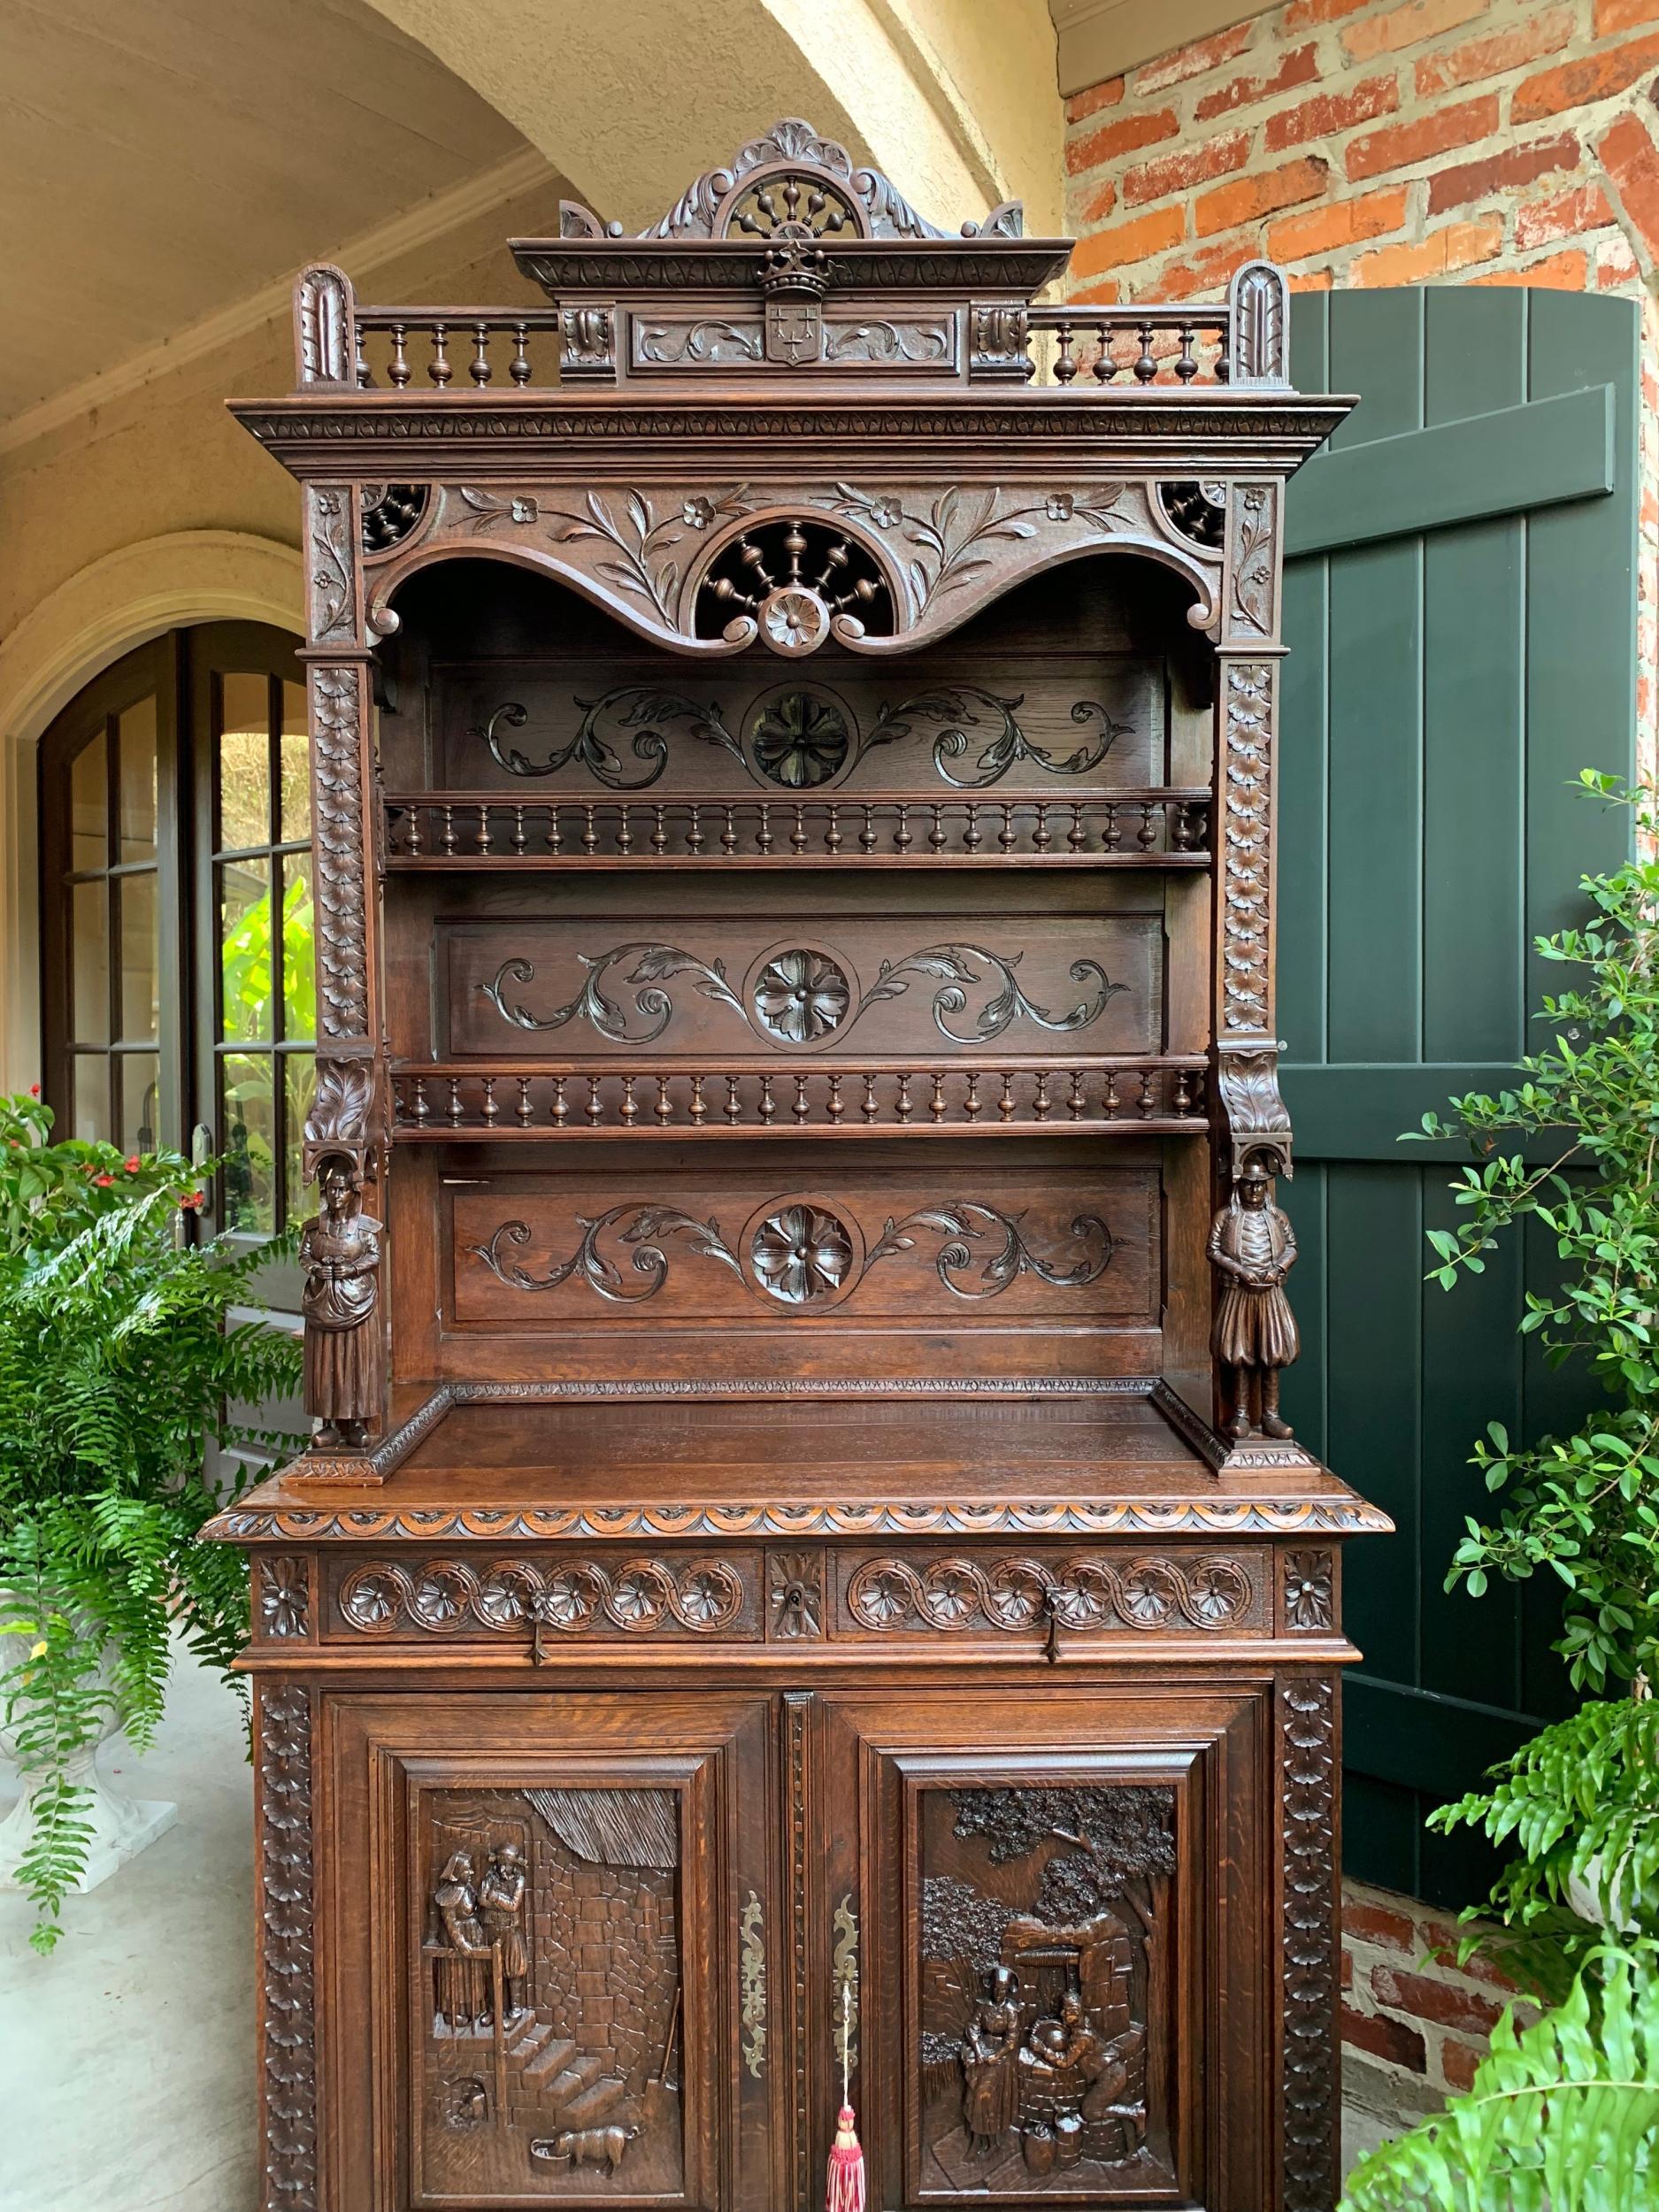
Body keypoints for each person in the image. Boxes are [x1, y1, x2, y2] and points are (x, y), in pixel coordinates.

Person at [1209, 1151, 1299, 1439]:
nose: (1255, 1190)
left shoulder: (1277, 1217)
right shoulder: (1227, 1216)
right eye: (1249, 1184)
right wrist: (1238, 1270)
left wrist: (1278, 1267)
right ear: (1239, 1185)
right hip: (1239, 1293)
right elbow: (1213, 1249)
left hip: (1270, 1292)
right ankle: (1241, 1413)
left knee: (1273, 1352)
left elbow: (1292, 1247)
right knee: (1240, 1353)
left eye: (1260, 1184)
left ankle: (1271, 1415)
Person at [300, 1162, 384, 1448]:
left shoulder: (364, 1228)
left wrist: (353, 1268)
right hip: (322, 1304)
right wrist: (314, 1269)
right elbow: (305, 1256)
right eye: (332, 1189)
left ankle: (356, 1424)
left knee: (354, 1361)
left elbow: (374, 1255)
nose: (336, 1195)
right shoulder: (314, 1228)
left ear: (352, 1193)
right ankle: (329, 1425)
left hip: (356, 1302)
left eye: (342, 1189)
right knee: (326, 1363)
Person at [961, 1966, 1021, 2154]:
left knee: (984, 2096)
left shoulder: (1011, 2011)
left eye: (1003, 1989)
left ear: (1008, 1990)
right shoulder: (983, 2006)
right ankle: (979, 2140)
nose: (999, 1993)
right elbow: (973, 2026)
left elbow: (1012, 2038)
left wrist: (996, 2055)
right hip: (982, 2049)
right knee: (974, 2096)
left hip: (1000, 2057)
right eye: (996, 1988)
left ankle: (986, 2142)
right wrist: (978, 2050)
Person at [434, 1852, 490, 2028]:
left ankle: (472, 2007)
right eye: (467, 1870)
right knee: (456, 1977)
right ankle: (453, 2011)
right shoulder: (450, 1894)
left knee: (472, 1975)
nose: (471, 1872)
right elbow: (450, 1923)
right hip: (457, 1941)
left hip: (472, 1936)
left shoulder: (468, 1889)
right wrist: (461, 1942)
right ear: (457, 1872)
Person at [480, 1841, 530, 2017]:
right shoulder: (489, 1877)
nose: (505, 1867)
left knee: (514, 1970)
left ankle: (515, 2010)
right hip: (491, 1930)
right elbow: (482, 1900)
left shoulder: (519, 1880)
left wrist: (496, 1897)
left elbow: (514, 1905)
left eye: (508, 1864)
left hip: (510, 1930)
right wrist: (500, 1902)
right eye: (502, 1863)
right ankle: (494, 2010)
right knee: (490, 1970)